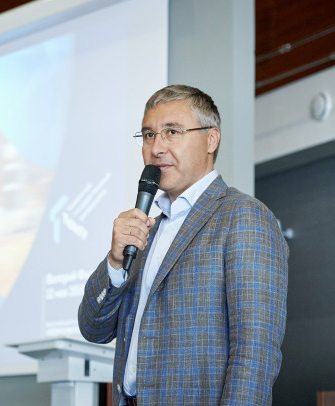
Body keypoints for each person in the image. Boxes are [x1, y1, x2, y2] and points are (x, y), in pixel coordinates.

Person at [78, 84, 288, 405]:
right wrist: (115, 263)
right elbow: (93, 328)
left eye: (172, 132)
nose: (156, 148)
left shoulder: (243, 216)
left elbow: (255, 351)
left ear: (211, 139)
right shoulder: (146, 228)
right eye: (148, 135)